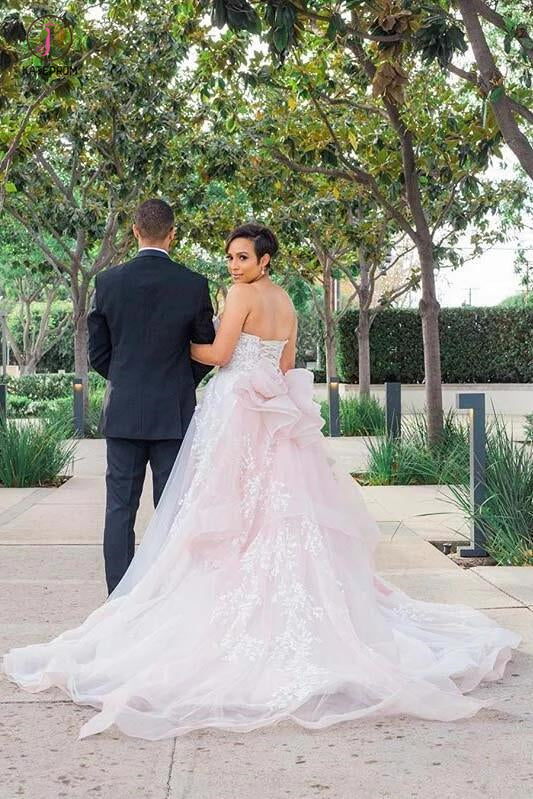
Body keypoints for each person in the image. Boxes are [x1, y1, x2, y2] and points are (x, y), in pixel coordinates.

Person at [2, 222, 521, 741]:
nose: (234, 265)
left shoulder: (240, 296)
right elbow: (286, 363)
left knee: (210, 507)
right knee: (268, 508)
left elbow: (219, 354)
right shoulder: (287, 302)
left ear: (263, 260)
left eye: (242, 257)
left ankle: (145, 603)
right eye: (231, 257)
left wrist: (172, 347)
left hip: (234, 411)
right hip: (271, 411)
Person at [86, 198, 215, 595]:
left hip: (123, 413)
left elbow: (98, 354)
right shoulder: (193, 284)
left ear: (135, 231)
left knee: (119, 509)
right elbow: (206, 349)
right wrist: (179, 380)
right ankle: (167, 597)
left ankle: (118, 600)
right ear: (172, 234)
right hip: (173, 415)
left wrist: (126, 379)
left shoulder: (107, 282)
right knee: (172, 511)